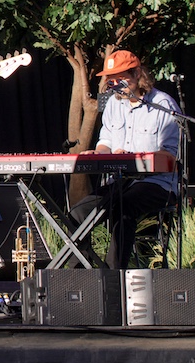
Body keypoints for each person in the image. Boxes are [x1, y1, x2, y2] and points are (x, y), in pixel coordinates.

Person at [70, 50, 181, 269]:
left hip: (157, 184)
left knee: (123, 206)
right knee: (79, 211)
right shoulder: (112, 103)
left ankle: (114, 277)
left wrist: (133, 158)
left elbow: (171, 155)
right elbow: (106, 141)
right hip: (120, 182)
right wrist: (98, 154)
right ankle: (79, 275)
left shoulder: (163, 104)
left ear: (138, 73)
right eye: (111, 80)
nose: (114, 84)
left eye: (120, 78)